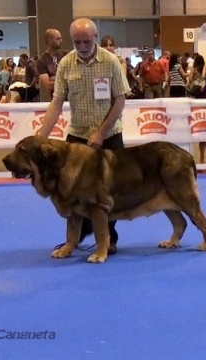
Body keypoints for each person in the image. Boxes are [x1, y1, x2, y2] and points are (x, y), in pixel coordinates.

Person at [37, 18, 130, 254]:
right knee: (72, 193)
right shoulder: (66, 65)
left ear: (95, 37)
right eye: (77, 42)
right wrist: (41, 139)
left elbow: (120, 101)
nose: (82, 46)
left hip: (109, 137)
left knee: (109, 193)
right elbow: (56, 104)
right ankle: (75, 239)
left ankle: (109, 239)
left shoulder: (111, 62)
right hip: (77, 139)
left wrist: (101, 132)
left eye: (87, 41)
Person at [37, 29, 69, 102]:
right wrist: (66, 79)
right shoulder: (41, 61)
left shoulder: (67, 55)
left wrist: (56, 78)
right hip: (57, 100)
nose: (61, 41)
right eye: (58, 39)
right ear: (49, 41)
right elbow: (48, 85)